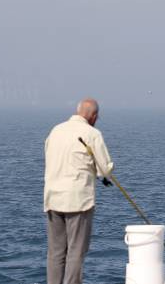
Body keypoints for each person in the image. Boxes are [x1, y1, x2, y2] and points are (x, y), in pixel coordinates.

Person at [44, 98, 114, 284]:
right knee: (76, 251)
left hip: (52, 199)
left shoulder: (56, 130)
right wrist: (104, 177)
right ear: (94, 116)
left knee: (56, 252)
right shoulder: (92, 133)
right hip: (77, 201)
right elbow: (104, 169)